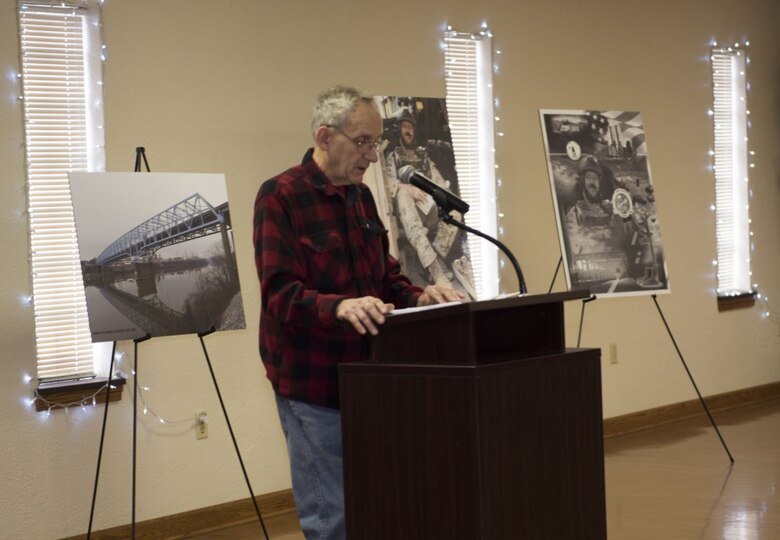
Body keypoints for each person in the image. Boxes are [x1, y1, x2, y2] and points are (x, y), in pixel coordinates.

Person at [253, 86, 463, 540]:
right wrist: (340, 306)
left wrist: (419, 295)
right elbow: (279, 294)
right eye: (363, 141)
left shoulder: (361, 198)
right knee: (333, 518)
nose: (372, 154)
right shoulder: (280, 197)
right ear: (326, 137)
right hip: (313, 384)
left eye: (377, 142)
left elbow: (385, 279)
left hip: (372, 379)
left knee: (378, 505)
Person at [384, 109, 475, 298]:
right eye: (404, 127)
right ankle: (435, 270)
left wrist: (446, 198)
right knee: (403, 196)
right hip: (410, 211)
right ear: (399, 130)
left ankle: (437, 255)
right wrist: (405, 188)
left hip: (429, 207)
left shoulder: (423, 156)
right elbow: (389, 181)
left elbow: (439, 182)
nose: (408, 131)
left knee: (456, 211)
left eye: (411, 127)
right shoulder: (393, 156)